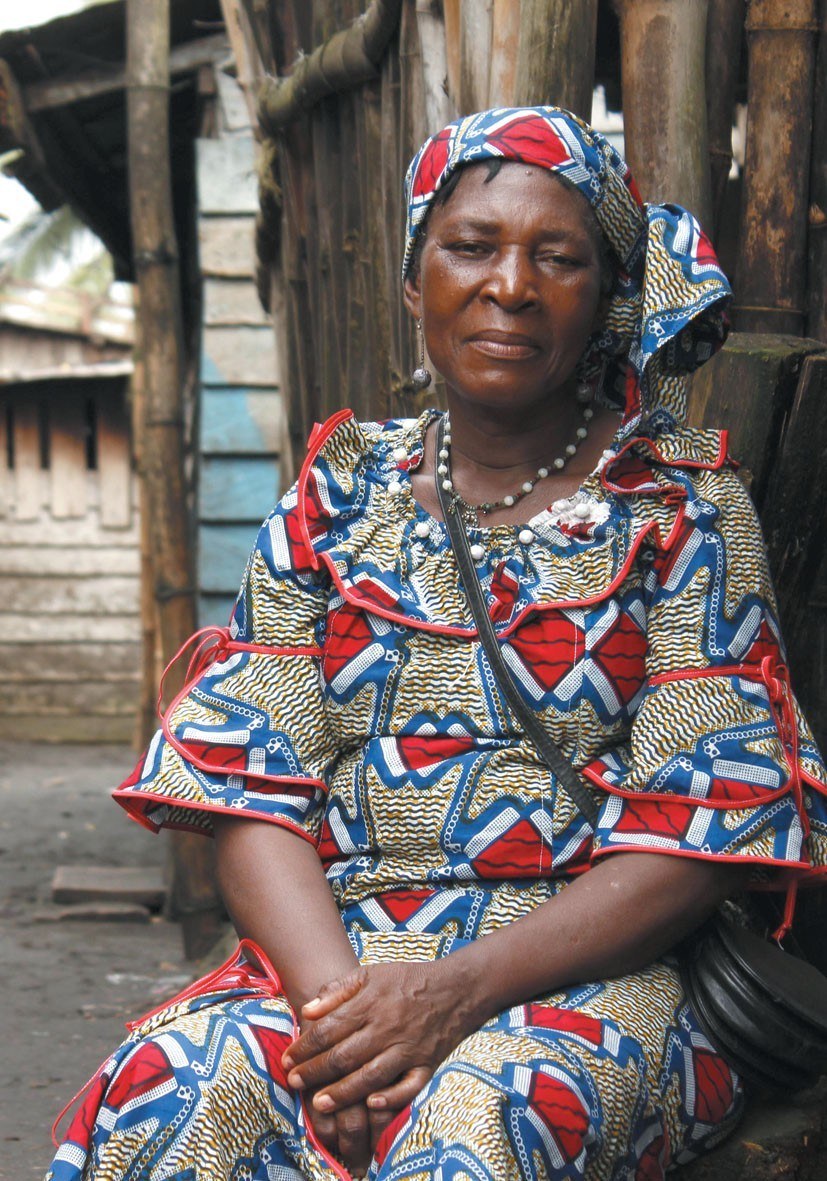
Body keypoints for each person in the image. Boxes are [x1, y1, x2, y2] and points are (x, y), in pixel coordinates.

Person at [47, 106, 827, 1181]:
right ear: (414, 283)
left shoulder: (680, 511)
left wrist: (451, 995)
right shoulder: (336, 491)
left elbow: (695, 837)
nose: (508, 285)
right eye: (469, 246)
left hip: (595, 973)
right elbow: (250, 790)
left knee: (476, 1117)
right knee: (178, 1088)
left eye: (556, 257)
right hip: (345, 959)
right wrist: (343, 1021)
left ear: (603, 299)